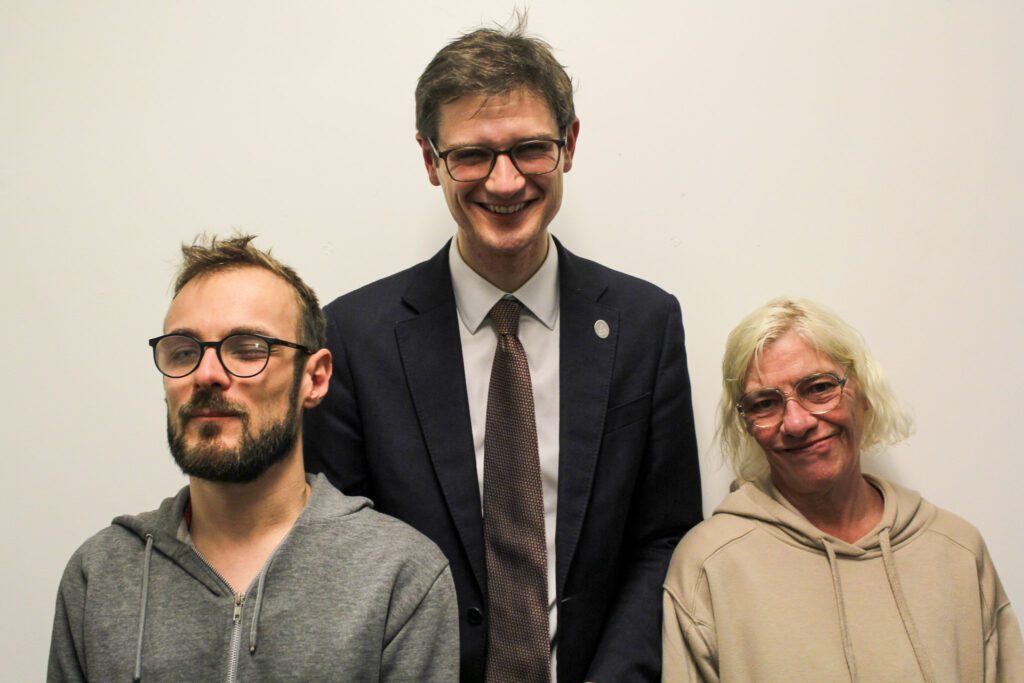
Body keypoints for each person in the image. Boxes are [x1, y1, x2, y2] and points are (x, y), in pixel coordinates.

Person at [303, 17, 703, 683]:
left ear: (569, 144)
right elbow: (340, 556)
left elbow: (663, 537)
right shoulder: (351, 337)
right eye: (472, 155)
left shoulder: (644, 324)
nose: (506, 181)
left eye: (530, 148)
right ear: (431, 161)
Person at [48, 235, 459, 682]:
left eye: (247, 349)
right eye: (184, 351)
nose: (206, 375)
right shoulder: (102, 574)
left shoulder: (399, 576)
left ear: (315, 379)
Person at [663, 296, 1024, 682]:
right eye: (765, 403)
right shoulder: (709, 566)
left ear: (863, 393)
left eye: (818, 388)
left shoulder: (957, 551)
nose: (797, 422)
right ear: (748, 425)